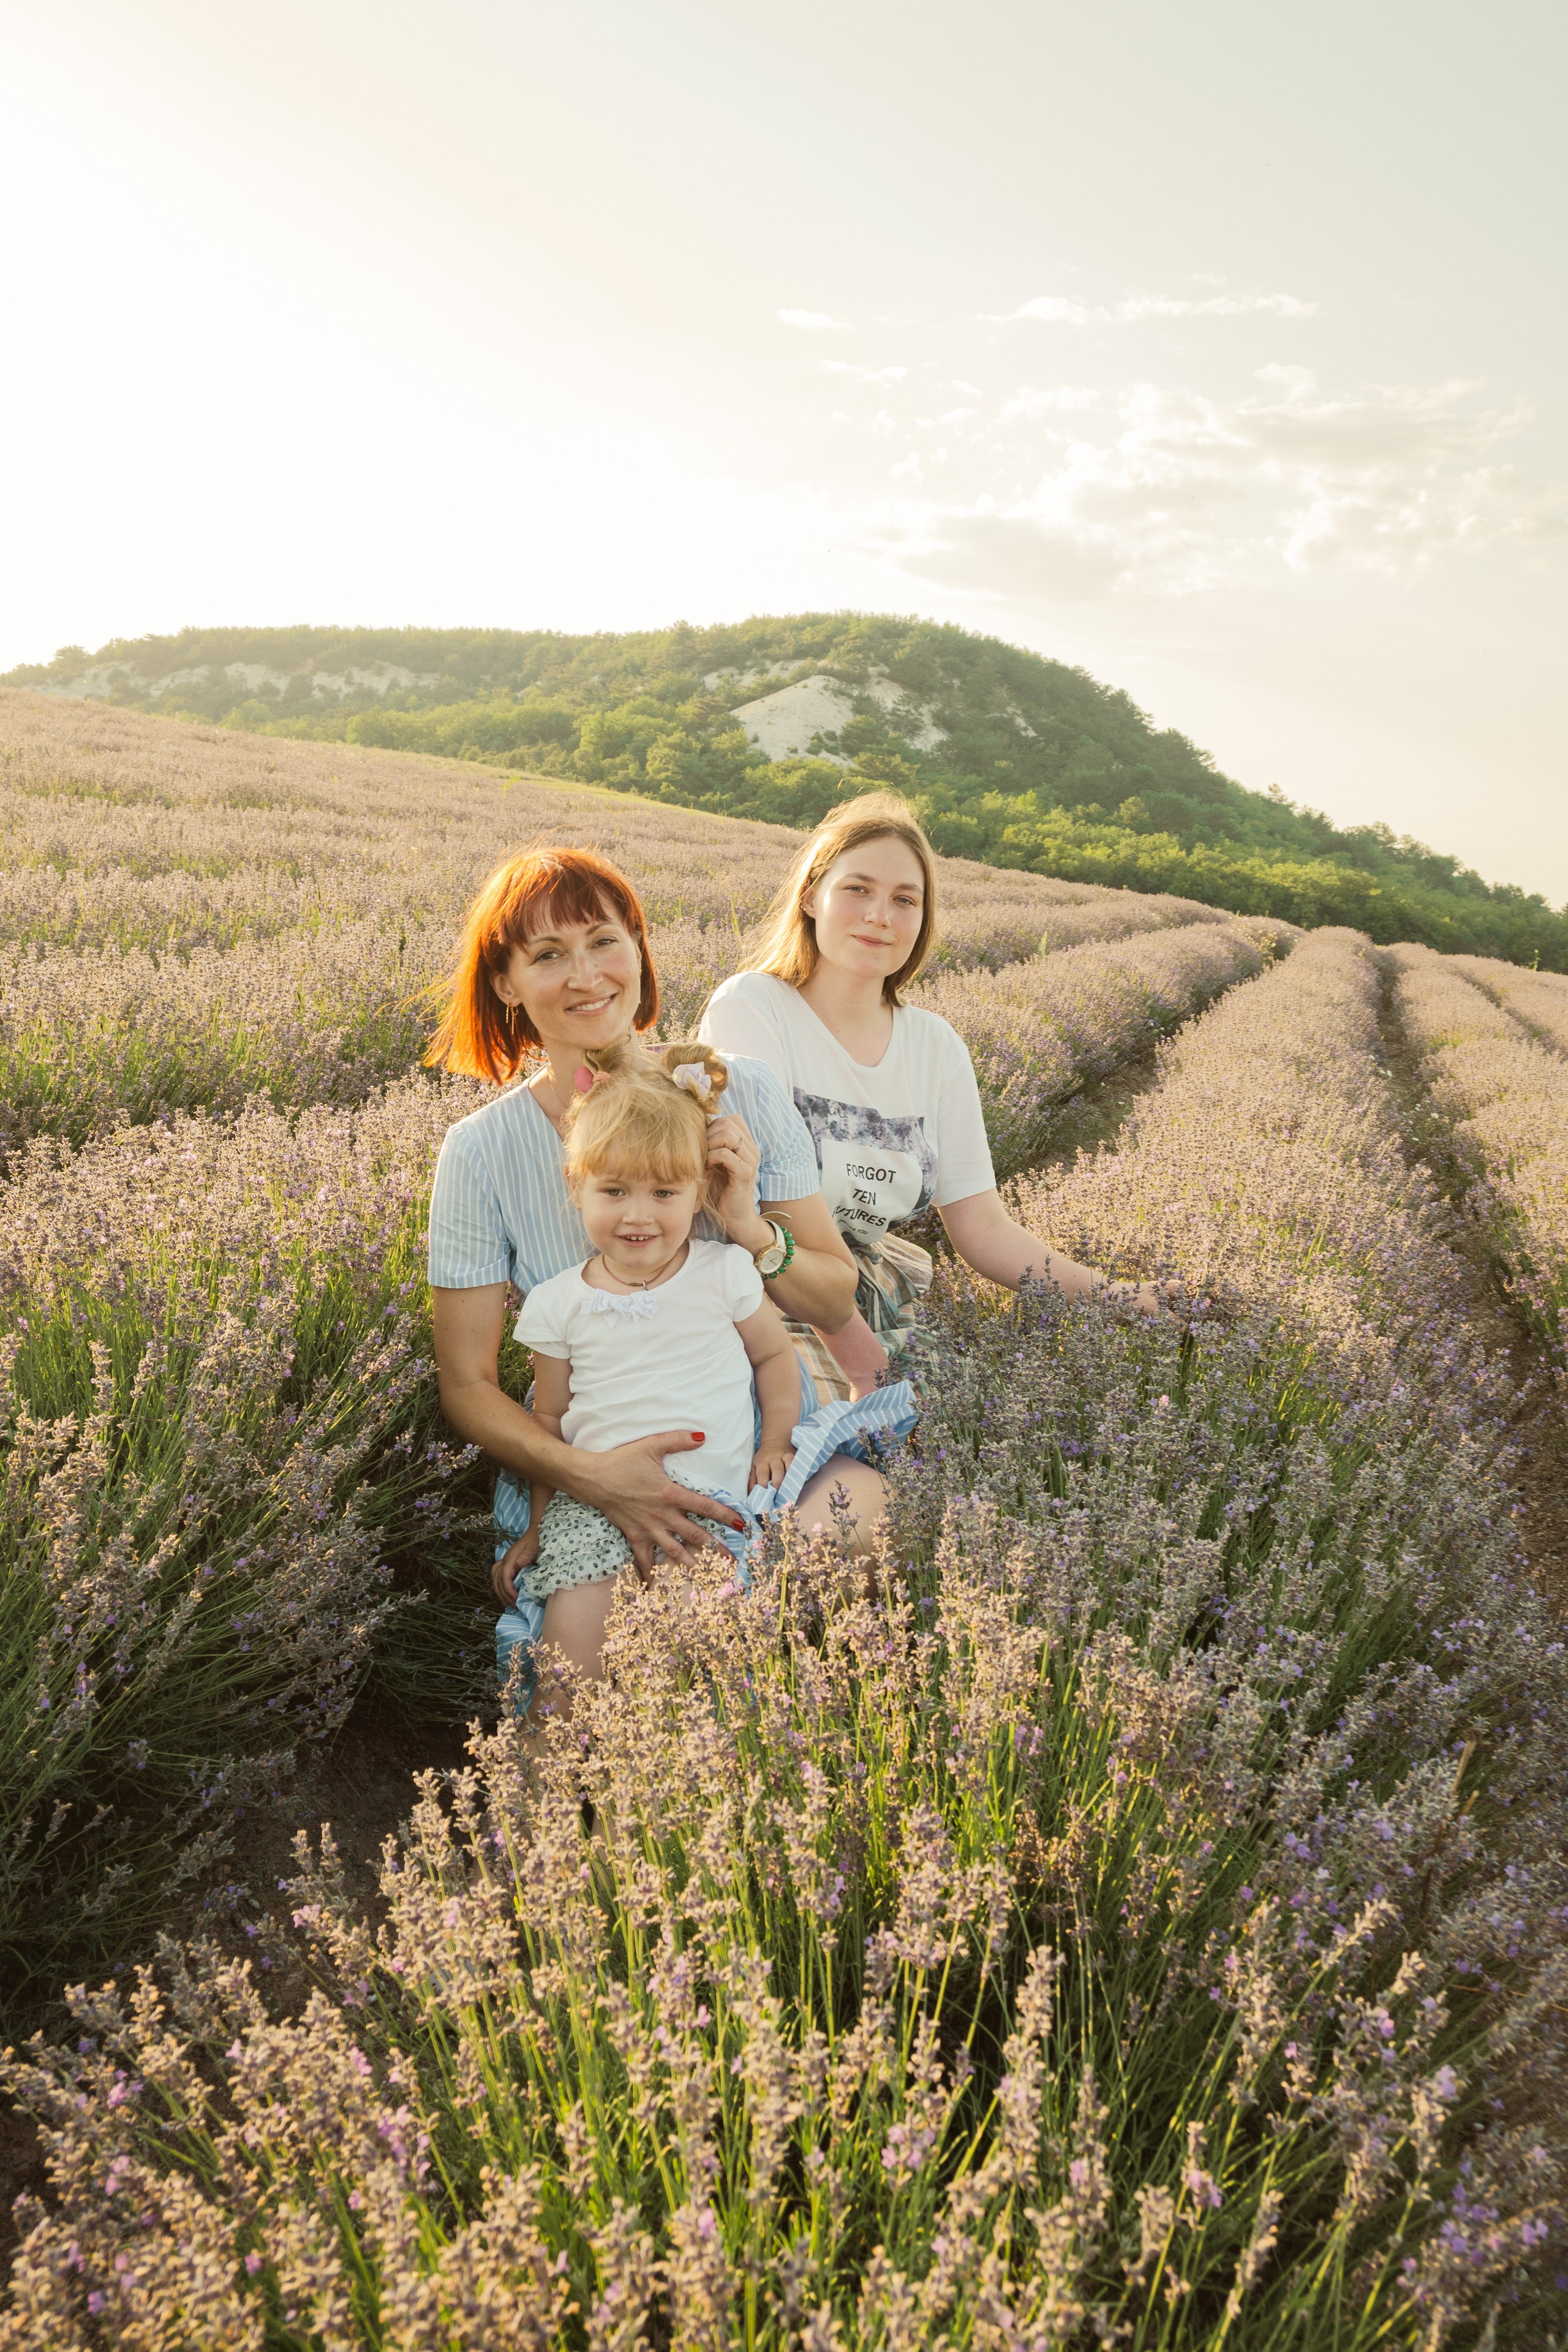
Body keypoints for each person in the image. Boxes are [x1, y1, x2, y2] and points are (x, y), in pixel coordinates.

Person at [424, 845, 908, 1697]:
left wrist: (749, 1224)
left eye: (604, 942)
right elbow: (465, 1385)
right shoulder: (481, 1153)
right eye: (546, 955)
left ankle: (781, 1725)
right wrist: (591, 1477)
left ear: (640, 953)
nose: (586, 976)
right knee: (587, 1682)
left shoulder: (745, 1095)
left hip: (760, 1436)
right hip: (594, 1451)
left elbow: (832, 1297)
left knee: (870, 1531)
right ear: (504, 983)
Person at [699, 791, 1164, 1397]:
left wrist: (1116, 1297)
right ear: (812, 895)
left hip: (868, 1293)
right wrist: (863, 1359)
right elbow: (775, 1204)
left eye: (904, 900)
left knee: (977, 1441)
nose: (879, 916)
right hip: (758, 1286)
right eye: (858, 890)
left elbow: (983, 1229)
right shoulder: (753, 1007)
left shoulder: (935, 1046)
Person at [492, 1039, 900, 1721]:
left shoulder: (723, 1270)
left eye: (664, 1193)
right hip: (591, 1510)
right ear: (577, 1187)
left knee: (691, 1663)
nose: (638, 1216)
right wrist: (537, 1526)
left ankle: (673, 1791)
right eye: (613, 1192)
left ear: (698, 1192)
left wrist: (774, 1443)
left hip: (710, 1503)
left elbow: (774, 1359)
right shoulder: (557, 1303)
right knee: (564, 1680)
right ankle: (546, 1801)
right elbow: (549, 1423)